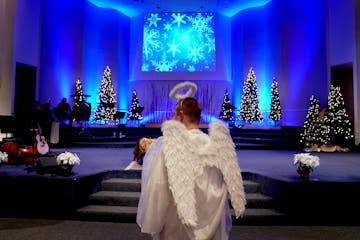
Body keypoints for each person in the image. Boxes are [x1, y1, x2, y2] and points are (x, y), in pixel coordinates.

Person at [136, 82, 246, 240]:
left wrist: (154, 219)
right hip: (210, 216)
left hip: (177, 219)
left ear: (180, 116)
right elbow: (220, 187)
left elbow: (157, 185)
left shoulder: (170, 145)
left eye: (174, 115)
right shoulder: (213, 145)